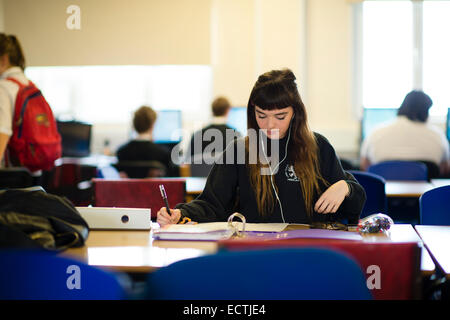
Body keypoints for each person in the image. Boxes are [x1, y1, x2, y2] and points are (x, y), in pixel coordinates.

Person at [157, 69, 366, 227]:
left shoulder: (318, 147)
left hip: (309, 251)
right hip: (256, 251)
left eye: (280, 116)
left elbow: (353, 206)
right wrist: (179, 213)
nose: (270, 125)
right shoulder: (239, 151)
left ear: (296, 113)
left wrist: (345, 187)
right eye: (261, 116)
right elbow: (212, 204)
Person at [360, 90, 450, 175]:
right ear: (426, 111)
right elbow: (445, 169)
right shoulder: (438, 135)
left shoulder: (376, 132)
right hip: (425, 191)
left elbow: (364, 166)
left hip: (383, 190)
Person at [116, 106, 179, 177]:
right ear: (152, 125)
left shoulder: (121, 152)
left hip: (131, 188)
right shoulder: (163, 153)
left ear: (134, 125)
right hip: (155, 188)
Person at [186, 96, 241, 162]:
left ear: (212, 111)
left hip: (201, 172)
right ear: (227, 110)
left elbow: (187, 163)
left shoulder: (197, 135)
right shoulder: (236, 136)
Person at [0, 34, 27, 165]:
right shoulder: (28, 83)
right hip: (35, 174)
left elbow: (2, 132)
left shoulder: (3, 87)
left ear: (3, 60)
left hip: (12, 176)